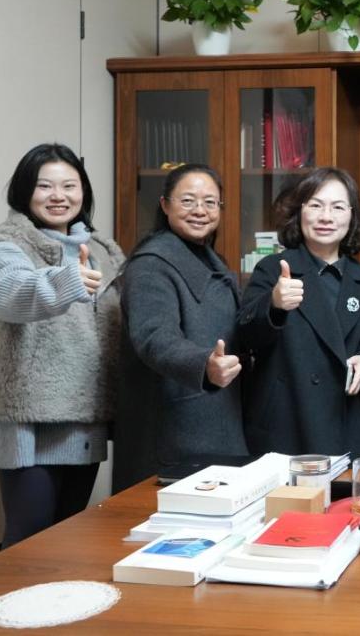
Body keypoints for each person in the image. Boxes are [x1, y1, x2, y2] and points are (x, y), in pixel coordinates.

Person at [0, 143, 123, 547]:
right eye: (45, 186)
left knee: (67, 539)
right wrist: (66, 280)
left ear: (83, 191)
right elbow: (8, 294)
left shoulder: (102, 251)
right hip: (30, 419)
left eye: (69, 186)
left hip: (85, 413)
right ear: (24, 191)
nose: (58, 196)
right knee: (28, 540)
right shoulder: (8, 245)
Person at [114, 164, 249, 491]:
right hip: (175, 432)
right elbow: (154, 337)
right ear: (165, 205)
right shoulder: (151, 264)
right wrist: (204, 364)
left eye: (210, 202)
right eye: (187, 201)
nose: (200, 210)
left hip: (215, 422)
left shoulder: (210, 259)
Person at [238, 167, 360, 458]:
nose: (326, 217)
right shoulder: (273, 269)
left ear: (352, 216)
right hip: (286, 424)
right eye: (316, 205)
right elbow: (244, 335)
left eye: (338, 207)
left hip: (344, 421)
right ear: (299, 213)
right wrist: (274, 305)